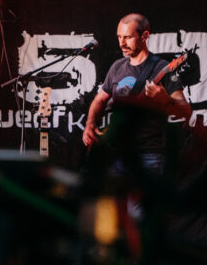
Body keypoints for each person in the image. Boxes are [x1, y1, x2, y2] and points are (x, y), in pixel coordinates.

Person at [82, 12, 191, 169]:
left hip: (148, 156)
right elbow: (99, 100)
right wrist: (90, 124)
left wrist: (165, 100)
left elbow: (186, 111)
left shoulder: (162, 68)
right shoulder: (117, 67)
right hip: (115, 154)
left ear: (144, 36)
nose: (122, 43)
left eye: (127, 37)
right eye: (119, 37)